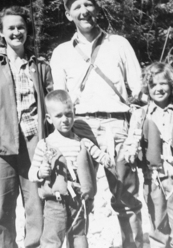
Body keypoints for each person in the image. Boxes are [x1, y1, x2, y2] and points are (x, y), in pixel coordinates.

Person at [49, 0, 173, 248]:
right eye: (76, 7)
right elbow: (58, 103)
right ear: (68, 15)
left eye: (88, 5)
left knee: (127, 197)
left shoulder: (119, 44)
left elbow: (141, 93)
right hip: (79, 129)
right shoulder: (60, 53)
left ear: (97, 9)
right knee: (78, 196)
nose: (83, 11)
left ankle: (133, 245)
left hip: (118, 126)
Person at [0, 6, 53, 248]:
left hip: (34, 142)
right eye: (11, 28)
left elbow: (52, 103)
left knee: (36, 201)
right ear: (1, 33)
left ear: (27, 31)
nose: (17, 32)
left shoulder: (41, 66)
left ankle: (34, 244)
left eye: (21, 27)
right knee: (3, 202)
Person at [121, 62, 173, 248]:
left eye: (163, 84)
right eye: (153, 85)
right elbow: (130, 144)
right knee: (158, 228)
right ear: (146, 88)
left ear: (171, 85)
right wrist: (130, 153)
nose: (158, 88)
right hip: (153, 180)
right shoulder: (140, 115)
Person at [29, 89, 114, 248]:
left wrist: (106, 159)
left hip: (78, 200)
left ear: (74, 114)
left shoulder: (83, 142)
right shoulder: (45, 145)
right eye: (59, 116)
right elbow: (32, 173)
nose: (65, 120)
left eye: (69, 114)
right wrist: (41, 172)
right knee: (52, 240)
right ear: (49, 118)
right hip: (55, 201)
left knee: (79, 236)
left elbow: (98, 154)